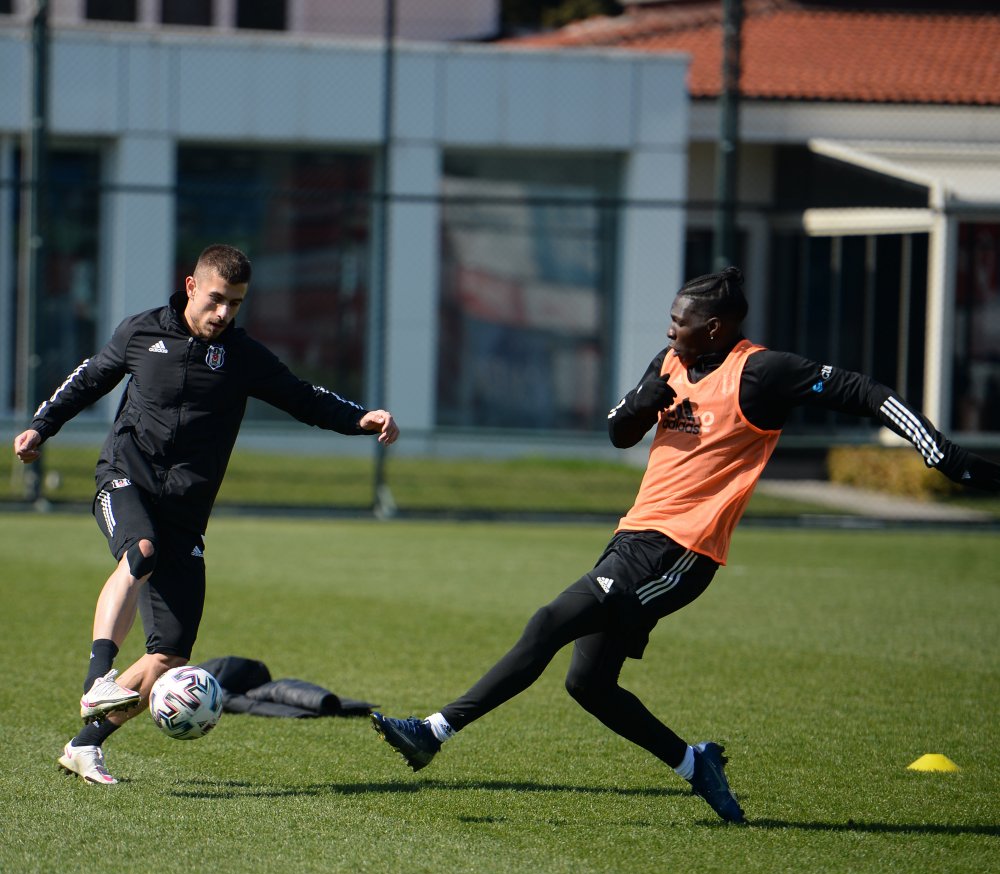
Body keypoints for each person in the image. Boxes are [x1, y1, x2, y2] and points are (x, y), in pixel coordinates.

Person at [371, 266, 1000, 824]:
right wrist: (644, 402)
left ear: (717, 328)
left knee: (550, 620)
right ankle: (694, 763)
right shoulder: (669, 362)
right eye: (671, 321)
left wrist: (934, 447)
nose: (671, 331)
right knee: (588, 685)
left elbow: (863, 391)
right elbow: (619, 433)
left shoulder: (759, 372)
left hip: (681, 553)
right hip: (632, 537)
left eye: (682, 323)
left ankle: (434, 730)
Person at [14, 244, 399, 785]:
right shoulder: (142, 332)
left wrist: (361, 418)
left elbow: (304, 398)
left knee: (169, 658)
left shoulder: (243, 357)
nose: (224, 313)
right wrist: (41, 426)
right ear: (192, 287)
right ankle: (97, 679)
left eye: (236, 304)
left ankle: (85, 745)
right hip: (125, 479)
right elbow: (89, 378)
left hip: (186, 513)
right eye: (217, 299)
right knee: (140, 551)